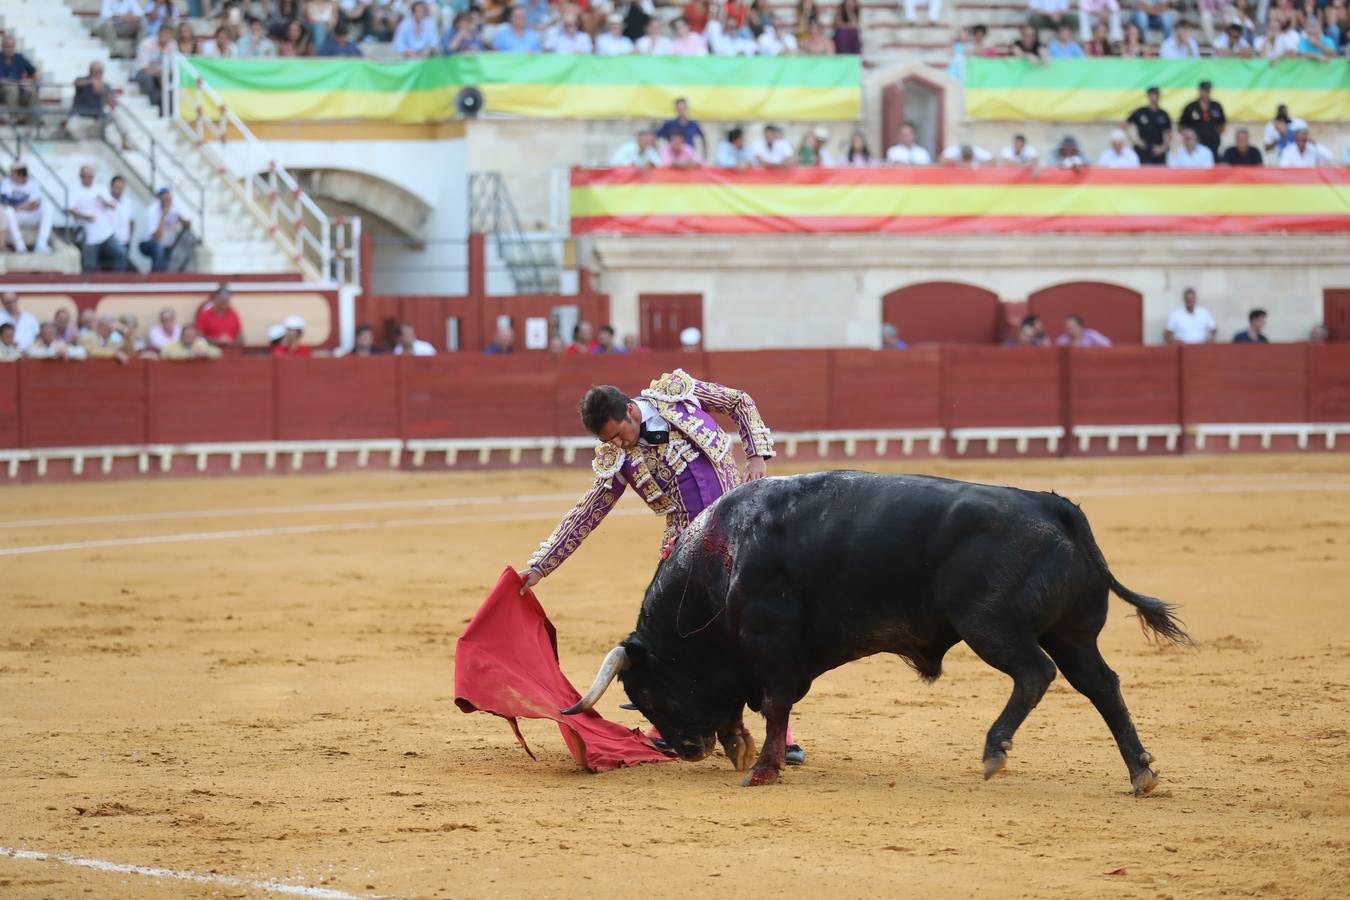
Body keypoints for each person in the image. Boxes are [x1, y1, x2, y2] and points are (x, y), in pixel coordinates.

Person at [513, 369, 803, 766]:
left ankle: (779, 732)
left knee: (756, 632)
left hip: (742, 537)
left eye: (619, 433)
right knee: (676, 640)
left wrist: (756, 454)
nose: (617, 444)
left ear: (632, 411)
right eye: (608, 440)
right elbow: (586, 514)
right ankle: (669, 724)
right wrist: (539, 567)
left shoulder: (678, 396)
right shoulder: (618, 459)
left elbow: (739, 401)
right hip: (686, 554)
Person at [1, 162, 54, 255]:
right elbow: (4, 202)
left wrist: (18, 206)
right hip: (16, 215)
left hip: (30, 215)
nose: (11, 175)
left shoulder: (33, 183)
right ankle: (19, 246)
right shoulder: (6, 182)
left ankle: (41, 244)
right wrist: (23, 206)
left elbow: (35, 204)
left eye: (13, 173)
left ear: (20, 174)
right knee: (8, 211)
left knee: (49, 208)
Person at [1179, 80, 1226, 159]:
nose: (1206, 92)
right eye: (1204, 90)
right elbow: (1181, 126)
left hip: (1213, 144)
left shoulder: (1216, 106)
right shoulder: (1191, 107)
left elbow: (1222, 124)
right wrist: (1189, 138)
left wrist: (1214, 133)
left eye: (1208, 90)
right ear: (1199, 90)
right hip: (1195, 145)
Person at [1126, 86, 1171, 166]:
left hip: (1158, 152)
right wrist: (1135, 140)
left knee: (1159, 176)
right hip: (1143, 151)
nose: (1154, 97)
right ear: (1148, 96)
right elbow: (1126, 125)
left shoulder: (1164, 114)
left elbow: (1168, 134)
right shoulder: (1140, 112)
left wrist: (1162, 148)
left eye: (1156, 95)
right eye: (1152, 95)